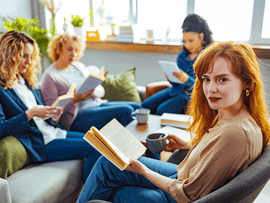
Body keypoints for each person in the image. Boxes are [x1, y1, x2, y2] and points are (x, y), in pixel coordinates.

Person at [76, 41, 270, 203]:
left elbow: (187, 194)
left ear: (246, 82)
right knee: (108, 163)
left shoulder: (235, 133)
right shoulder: (241, 119)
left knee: (110, 185)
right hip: (183, 176)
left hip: (177, 194)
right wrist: (189, 145)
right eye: (206, 79)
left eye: (222, 80)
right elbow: (222, 156)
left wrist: (142, 171)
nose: (210, 89)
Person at [0, 30, 101, 182]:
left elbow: (45, 119)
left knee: (100, 141)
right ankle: (88, 197)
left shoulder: (26, 80)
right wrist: (30, 113)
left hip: (52, 131)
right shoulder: (2, 89)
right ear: (9, 55)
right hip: (40, 142)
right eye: (24, 56)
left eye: (30, 56)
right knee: (95, 147)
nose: (28, 61)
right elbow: (2, 128)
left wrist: (54, 115)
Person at [40, 33, 142, 132]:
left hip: (95, 104)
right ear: (58, 49)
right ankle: (129, 147)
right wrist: (74, 100)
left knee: (137, 107)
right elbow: (52, 115)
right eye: (69, 49)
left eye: (76, 50)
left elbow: (96, 91)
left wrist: (92, 90)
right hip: (76, 116)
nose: (73, 54)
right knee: (127, 111)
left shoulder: (78, 66)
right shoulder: (50, 77)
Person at [142, 14, 213, 115]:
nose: (187, 45)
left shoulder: (208, 58)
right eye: (184, 41)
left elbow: (205, 87)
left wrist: (187, 79)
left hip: (188, 96)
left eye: (191, 40)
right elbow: (177, 84)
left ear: (201, 36)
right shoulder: (182, 56)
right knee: (144, 106)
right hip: (175, 90)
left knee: (161, 110)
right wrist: (172, 78)